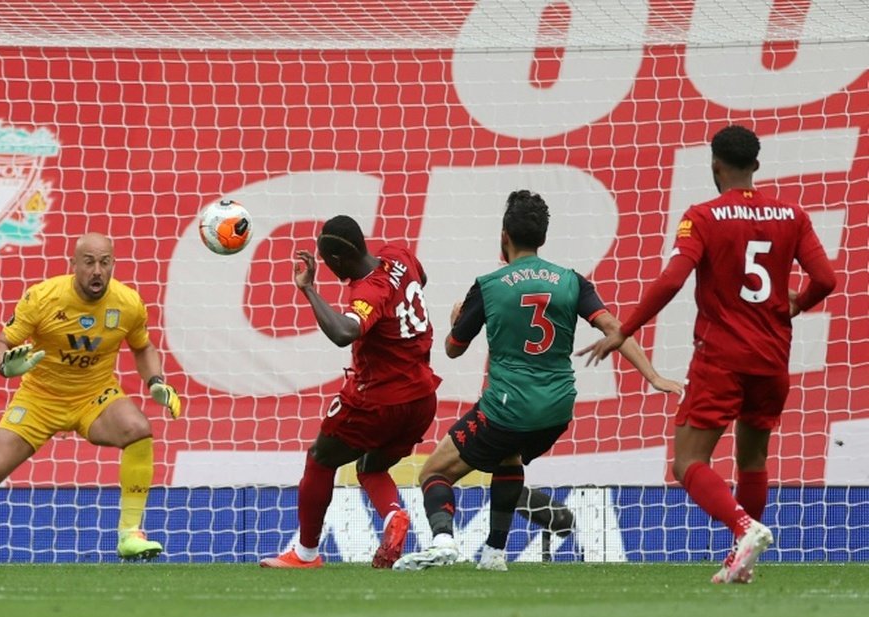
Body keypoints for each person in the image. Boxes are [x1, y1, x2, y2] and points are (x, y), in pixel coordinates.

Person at [579, 124, 836, 583]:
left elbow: (673, 279)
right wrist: (796, 303)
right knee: (753, 459)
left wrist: (625, 330)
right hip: (773, 357)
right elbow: (826, 279)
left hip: (721, 358)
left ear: (714, 165)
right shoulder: (792, 215)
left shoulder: (703, 216)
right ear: (755, 165)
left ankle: (744, 528)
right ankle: (742, 563)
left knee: (687, 462)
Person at [393, 190, 682, 572]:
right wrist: (653, 375)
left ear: (504, 237)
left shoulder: (490, 285)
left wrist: (453, 323)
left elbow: (453, 349)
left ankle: (443, 541)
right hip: (557, 411)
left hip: (507, 409)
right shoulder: (571, 281)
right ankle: (495, 554)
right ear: (542, 238)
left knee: (433, 472)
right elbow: (615, 328)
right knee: (508, 456)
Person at [0, 232, 181, 565]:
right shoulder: (43, 297)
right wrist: (6, 365)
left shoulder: (128, 303)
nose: (97, 271)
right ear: (73, 265)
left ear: (113, 263)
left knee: (138, 429)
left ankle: (130, 534)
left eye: (105, 262)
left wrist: (155, 381)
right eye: (89, 262)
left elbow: (143, 347)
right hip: (40, 400)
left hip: (94, 396)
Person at [259, 215, 442, 569]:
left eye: (327, 264)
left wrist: (309, 289)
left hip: (380, 399)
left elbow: (345, 332)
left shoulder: (368, 291)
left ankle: (306, 554)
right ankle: (393, 517)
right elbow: (422, 278)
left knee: (320, 458)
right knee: (371, 465)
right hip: (422, 397)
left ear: (338, 261)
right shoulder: (398, 254)